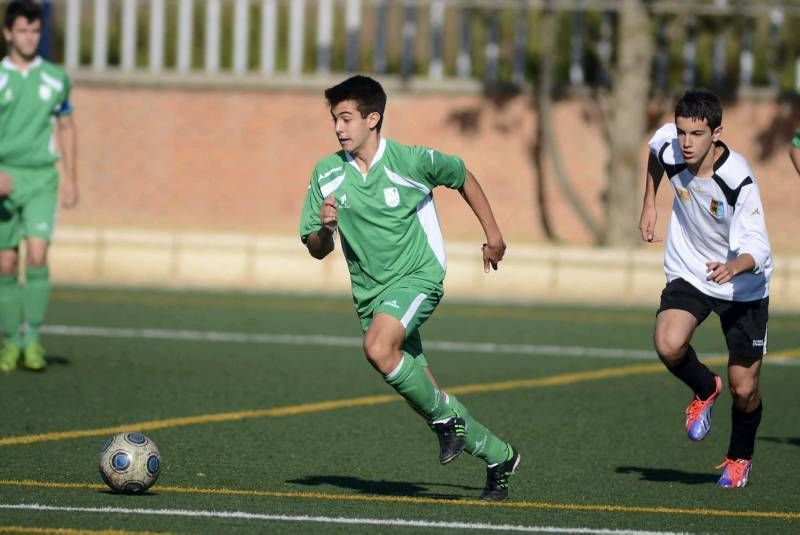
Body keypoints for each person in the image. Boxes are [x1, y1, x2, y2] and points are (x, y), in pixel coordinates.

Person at [299, 75, 519, 501]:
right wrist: (326, 230)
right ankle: (499, 456)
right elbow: (315, 249)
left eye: (346, 118)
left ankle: (447, 424)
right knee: (426, 395)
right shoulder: (326, 174)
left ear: (373, 118)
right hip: (370, 296)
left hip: (418, 277)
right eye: (334, 119)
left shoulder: (411, 161)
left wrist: (494, 235)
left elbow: (462, 176)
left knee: (378, 349)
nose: (339, 128)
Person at [639, 89, 771, 489]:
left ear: (717, 133)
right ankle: (704, 386)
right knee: (667, 342)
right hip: (692, 270)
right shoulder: (671, 146)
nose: (686, 142)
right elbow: (655, 152)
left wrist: (734, 266)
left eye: (696, 134)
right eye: (682, 132)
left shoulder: (738, 179)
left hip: (743, 284)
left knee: (744, 388)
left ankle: (739, 458)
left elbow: (759, 249)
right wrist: (650, 203)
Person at [0, 0, 78, 372]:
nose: (30, 38)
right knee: (5, 262)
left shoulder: (56, 78)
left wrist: (71, 177)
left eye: (35, 31)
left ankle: (32, 340)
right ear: (7, 33)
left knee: (36, 255)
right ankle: (10, 342)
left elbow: (66, 126)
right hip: (4, 176)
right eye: (23, 30)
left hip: (41, 179)